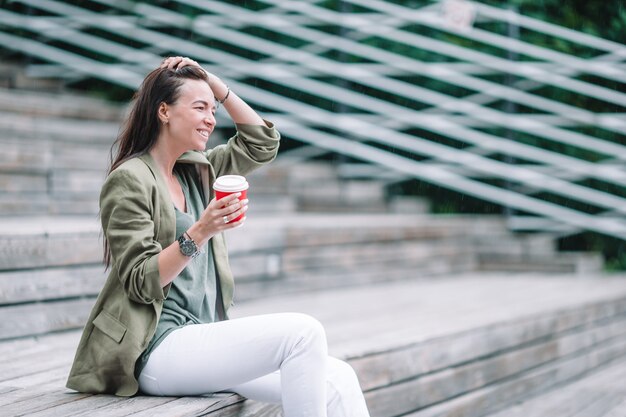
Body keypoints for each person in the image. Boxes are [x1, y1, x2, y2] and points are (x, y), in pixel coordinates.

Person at [66, 56, 370, 417]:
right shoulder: (130, 179)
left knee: (338, 378)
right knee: (303, 333)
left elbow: (262, 143)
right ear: (164, 111)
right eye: (199, 107)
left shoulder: (198, 171)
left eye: (214, 109)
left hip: (200, 336)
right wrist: (202, 230)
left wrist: (212, 83)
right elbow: (139, 281)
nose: (211, 118)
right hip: (154, 348)